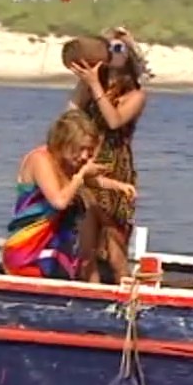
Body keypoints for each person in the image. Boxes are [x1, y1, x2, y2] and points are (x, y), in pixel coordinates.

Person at [2, 111, 136, 281]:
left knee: (93, 218)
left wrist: (118, 186)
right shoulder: (40, 160)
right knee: (83, 210)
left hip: (53, 247)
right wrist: (81, 175)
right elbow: (60, 201)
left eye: (89, 150)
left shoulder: (66, 162)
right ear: (63, 143)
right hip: (28, 251)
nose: (85, 156)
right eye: (81, 149)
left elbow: (86, 181)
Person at [65, 26, 152, 284]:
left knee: (115, 246)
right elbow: (70, 114)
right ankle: (91, 295)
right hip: (87, 164)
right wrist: (85, 81)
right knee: (86, 248)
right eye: (108, 47)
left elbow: (114, 121)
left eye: (118, 48)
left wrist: (94, 85)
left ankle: (126, 296)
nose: (112, 53)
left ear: (128, 55)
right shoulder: (94, 86)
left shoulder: (136, 95)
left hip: (115, 169)